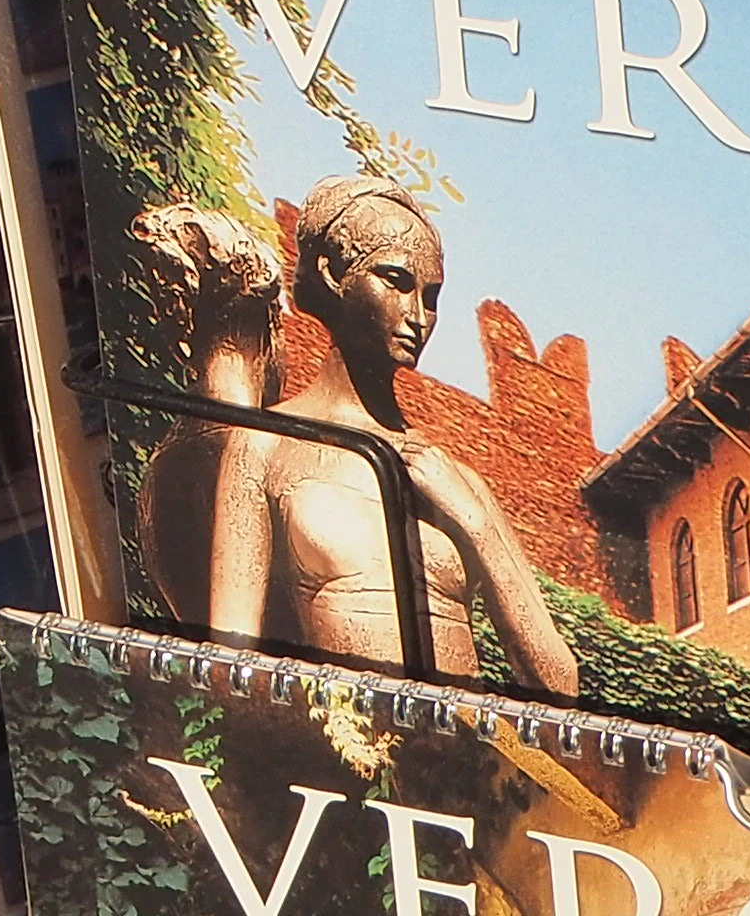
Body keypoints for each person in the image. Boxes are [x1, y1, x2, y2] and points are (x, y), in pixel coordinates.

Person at [188, 176, 581, 692]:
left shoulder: (457, 479)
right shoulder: (264, 445)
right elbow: (231, 662)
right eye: (395, 280)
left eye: (432, 296)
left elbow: (559, 683)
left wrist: (474, 519)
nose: (419, 317)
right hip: (341, 747)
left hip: (465, 750)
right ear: (332, 273)